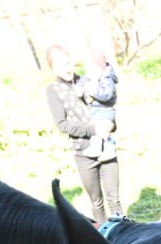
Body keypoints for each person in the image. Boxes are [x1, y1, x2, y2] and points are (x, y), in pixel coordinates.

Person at [45, 44, 121, 223]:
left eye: (68, 63)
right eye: (60, 65)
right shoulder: (54, 90)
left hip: (106, 147)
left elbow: (106, 105)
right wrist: (93, 130)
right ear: (52, 68)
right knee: (97, 201)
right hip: (83, 153)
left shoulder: (88, 80)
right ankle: (103, 241)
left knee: (114, 199)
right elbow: (62, 124)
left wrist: (111, 124)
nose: (66, 69)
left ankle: (126, 239)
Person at [80, 46, 119, 163]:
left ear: (99, 68)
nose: (88, 73)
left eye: (91, 69)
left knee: (103, 131)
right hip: (96, 111)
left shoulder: (107, 79)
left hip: (105, 111)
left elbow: (106, 95)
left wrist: (93, 91)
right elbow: (83, 83)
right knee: (96, 132)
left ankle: (110, 148)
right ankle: (96, 148)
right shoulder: (91, 78)